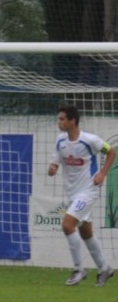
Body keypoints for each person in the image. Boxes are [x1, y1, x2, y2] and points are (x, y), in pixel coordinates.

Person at [48, 105, 117, 286]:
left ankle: (79, 269)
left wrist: (102, 173)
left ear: (72, 121)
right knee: (85, 232)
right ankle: (105, 268)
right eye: (59, 119)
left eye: (62, 119)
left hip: (88, 191)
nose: (59, 122)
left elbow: (111, 151)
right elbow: (55, 161)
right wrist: (53, 168)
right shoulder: (60, 141)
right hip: (72, 192)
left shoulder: (90, 140)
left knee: (67, 224)